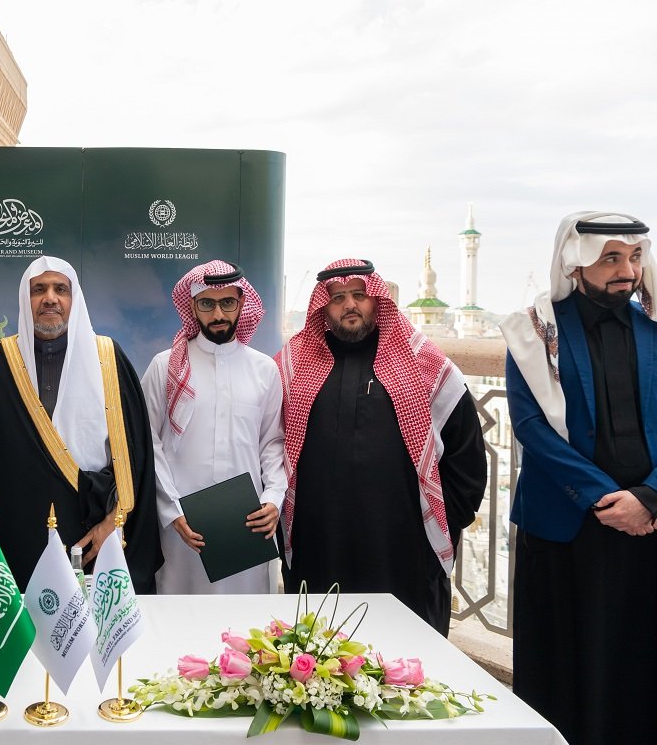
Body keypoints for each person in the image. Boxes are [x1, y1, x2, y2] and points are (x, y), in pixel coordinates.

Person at [503, 212, 657, 745]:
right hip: (565, 527)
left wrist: (648, 497)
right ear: (576, 263)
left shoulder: (654, 328)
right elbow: (530, 426)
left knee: (638, 667)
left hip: (647, 526)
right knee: (559, 671)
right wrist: (601, 498)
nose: (626, 271)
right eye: (610, 258)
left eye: (633, 257)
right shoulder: (534, 333)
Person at [277, 258, 485, 634]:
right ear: (323, 306)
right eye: (338, 297)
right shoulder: (293, 363)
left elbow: (465, 451)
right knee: (316, 650)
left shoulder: (423, 362)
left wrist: (444, 521)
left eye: (359, 295)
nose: (349, 305)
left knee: (403, 655)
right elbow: (270, 443)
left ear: (377, 299)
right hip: (319, 539)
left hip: (400, 544)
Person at [0, 255, 162, 592]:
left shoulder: (108, 357)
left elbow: (136, 457)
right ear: (26, 299)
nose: (50, 298)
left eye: (60, 289)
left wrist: (116, 521)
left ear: (73, 299)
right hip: (15, 530)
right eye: (39, 290)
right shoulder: (1, 360)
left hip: (90, 532)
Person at [141, 260, 287, 594]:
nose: (218, 314)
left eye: (227, 303)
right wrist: (172, 511)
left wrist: (273, 499)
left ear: (241, 304)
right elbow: (148, 444)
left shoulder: (264, 370)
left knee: (245, 630)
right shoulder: (165, 367)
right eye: (207, 303)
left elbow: (273, 445)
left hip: (247, 525)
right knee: (180, 620)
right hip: (183, 529)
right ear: (192, 306)